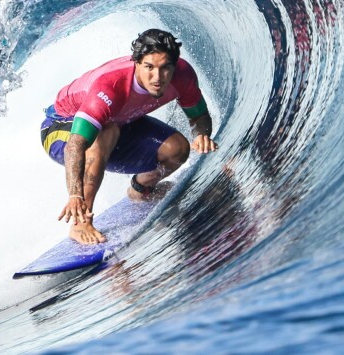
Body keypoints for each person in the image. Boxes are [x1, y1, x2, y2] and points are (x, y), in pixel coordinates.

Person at [39, 29, 218, 244]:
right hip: (60, 129)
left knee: (177, 149)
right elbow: (74, 146)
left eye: (165, 68)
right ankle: (80, 224)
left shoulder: (182, 75)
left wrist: (201, 135)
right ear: (136, 63)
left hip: (120, 124)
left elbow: (199, 117)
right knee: (107, 130)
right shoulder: (110, 87)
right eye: (149, 67)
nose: (157, 78)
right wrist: (75, 195)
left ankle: (141, 190)